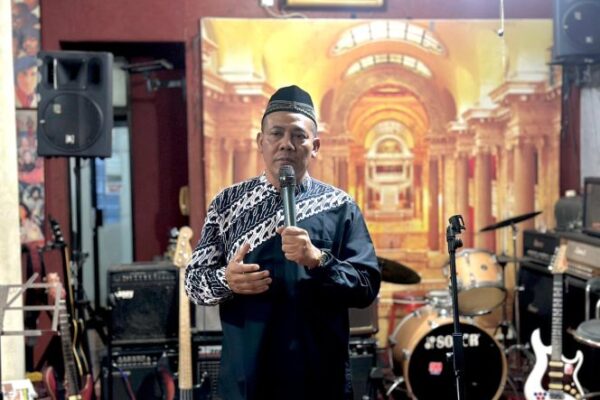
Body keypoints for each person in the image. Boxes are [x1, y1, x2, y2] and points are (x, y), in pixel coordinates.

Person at [185, 85, 381, 400]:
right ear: (260, 142)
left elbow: (367, 286)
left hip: (320, 380)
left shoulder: (340, 206)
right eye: (276, 133)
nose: (286, 144)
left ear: (315, 146)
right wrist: (226, 280)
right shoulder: (227, 204)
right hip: (247, 381)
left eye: (298, 135)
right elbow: (193, 284)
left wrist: (319, 260)